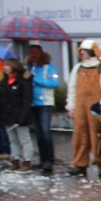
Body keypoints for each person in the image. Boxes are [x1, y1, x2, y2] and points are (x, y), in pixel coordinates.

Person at [66, 40, 101, 178]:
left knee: (98, 135)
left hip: (97, 108)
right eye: (81, 50)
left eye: (84, 50)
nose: (81, 53)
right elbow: (72, 89)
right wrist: (71, 106)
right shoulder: (78, 68)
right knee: (80, 134)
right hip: (81, 107)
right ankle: (80, 164)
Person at [0, 59, 35, 173]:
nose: (5, 67)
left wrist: (22, 116)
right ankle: (15, 160)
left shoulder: (23, 80)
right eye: (4, 65)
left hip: (20, 114)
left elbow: (27, 100)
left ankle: (27, 162)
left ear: (14, 66)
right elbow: (0, 100)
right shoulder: (4, 81)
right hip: (8, 115)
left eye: (7, 65)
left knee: (24, 139)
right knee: (13, 140)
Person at [26, 42, 59, 172]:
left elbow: (54, 83)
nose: (33, 55)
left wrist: (34, 79)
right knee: (38, 134)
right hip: (32, 103)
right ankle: (42, 160)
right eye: (31, 53)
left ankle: (49, 160)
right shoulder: (29, 67)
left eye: (36, 52)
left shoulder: (49, 67)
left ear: (41, 53)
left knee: (45, 132)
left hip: (45, 103)